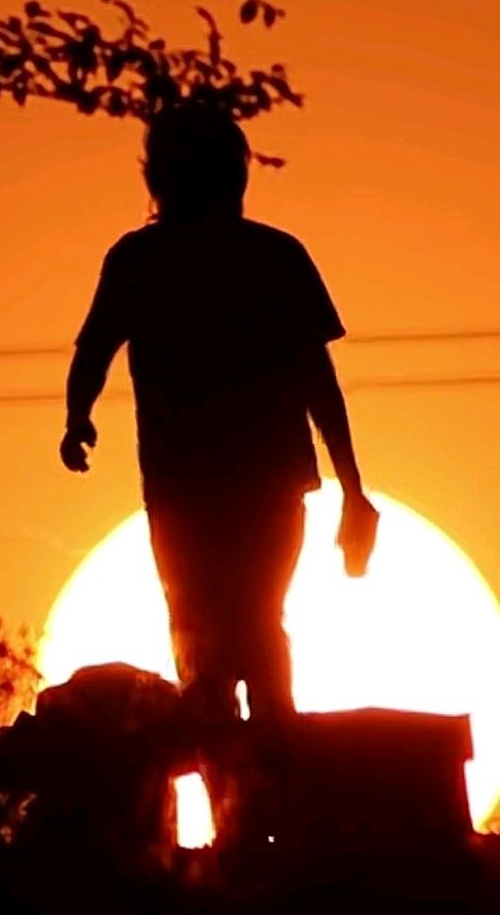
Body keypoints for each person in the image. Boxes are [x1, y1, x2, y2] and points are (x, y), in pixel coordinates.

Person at [60, 101, 378, 734]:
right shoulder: (271, 257)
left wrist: (78, 417)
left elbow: (92, 352)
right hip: (246, 485)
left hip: (198, 488)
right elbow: (320, 382)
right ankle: (258, 786)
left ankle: (248, 784)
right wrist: (350, 485)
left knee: (210, 628)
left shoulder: (145, 260)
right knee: (246, 624)